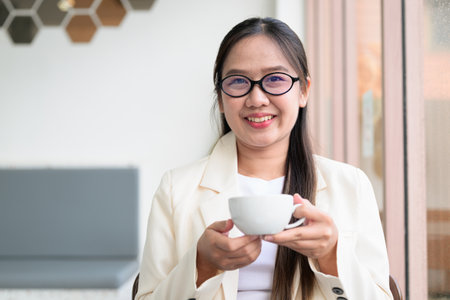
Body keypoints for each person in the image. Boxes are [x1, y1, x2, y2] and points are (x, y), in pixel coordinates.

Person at [135, 17, 393, 300]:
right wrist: (202, 265)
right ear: (220, 99)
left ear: (303, 90)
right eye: (237, 81)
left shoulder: (350, 185)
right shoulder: (176, 189)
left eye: (275, 79)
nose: (256, 98)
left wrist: (331, 255)